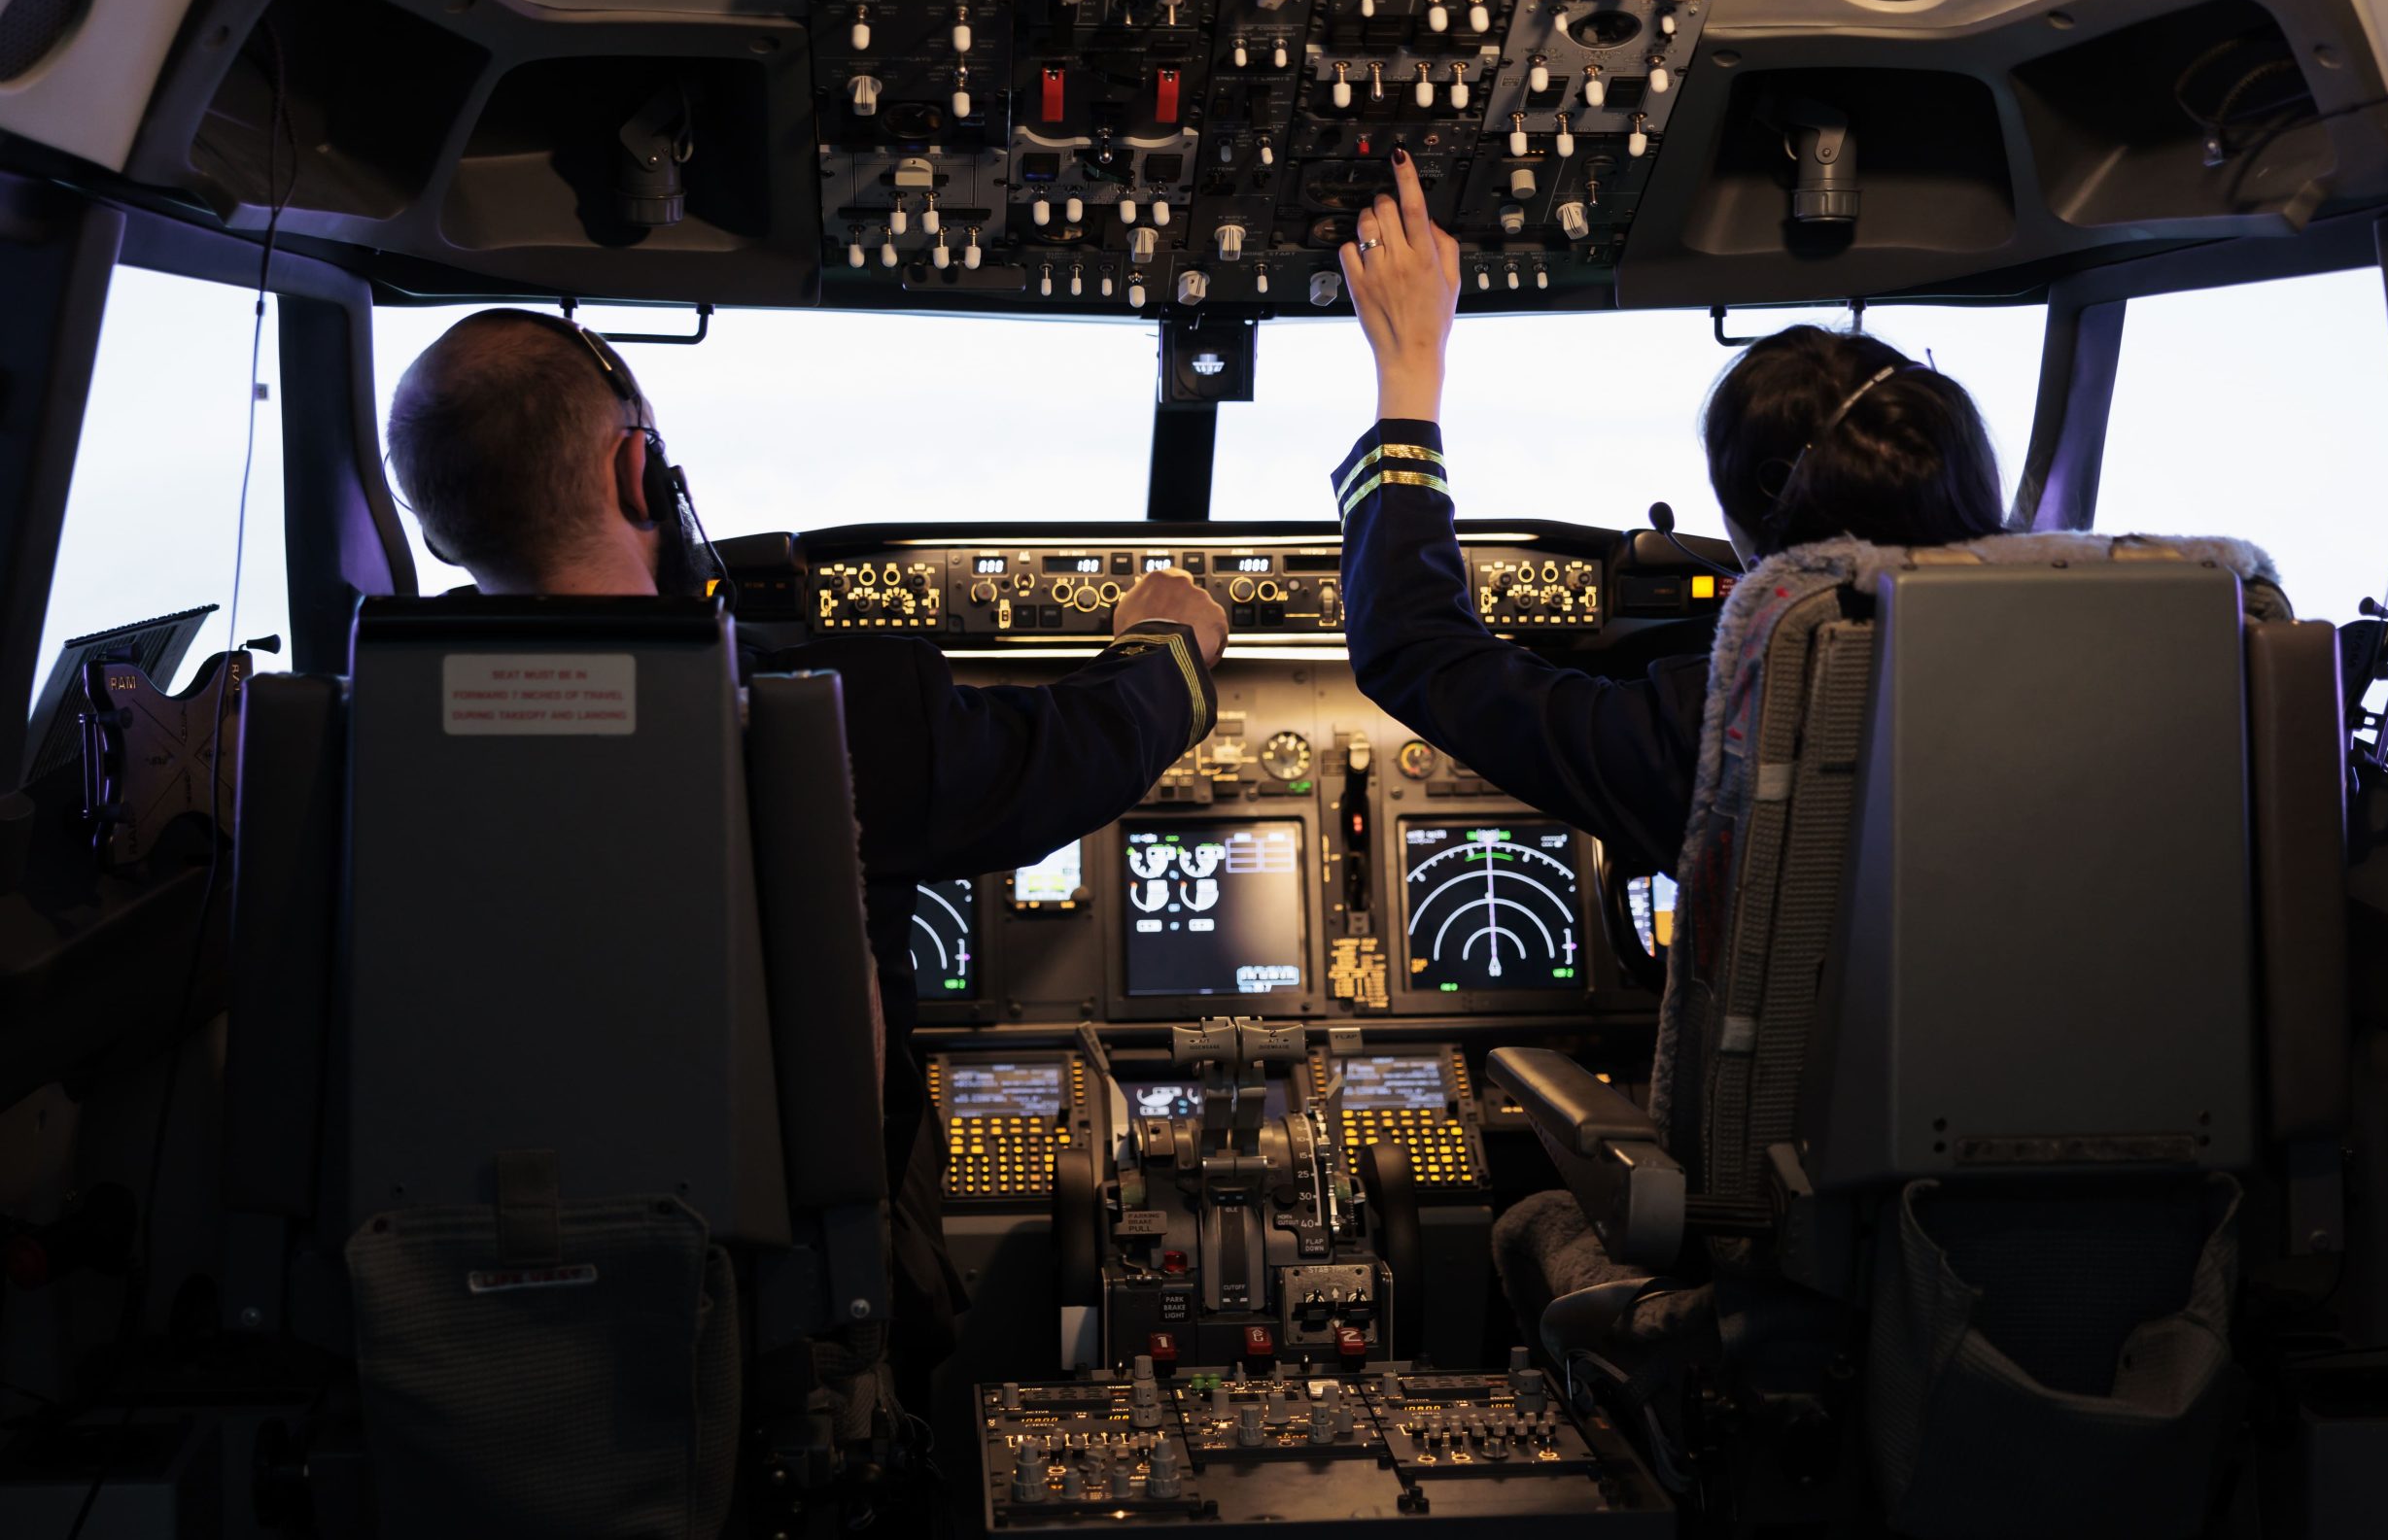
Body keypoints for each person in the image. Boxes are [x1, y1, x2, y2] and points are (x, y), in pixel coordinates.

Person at [384, 306, 1229, 1393]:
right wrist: (1168, 653)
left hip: (464, 1310)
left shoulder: (378, 732)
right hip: (793, 1310)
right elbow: (1053, 765)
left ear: (443, 532)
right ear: (639, 472)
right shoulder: (815, 711)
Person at [1330, 150, 2006, 877]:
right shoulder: (2089, 662)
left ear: (1759, 528)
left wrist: (1410, 365)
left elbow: (1416, 646)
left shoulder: (1734, 723)